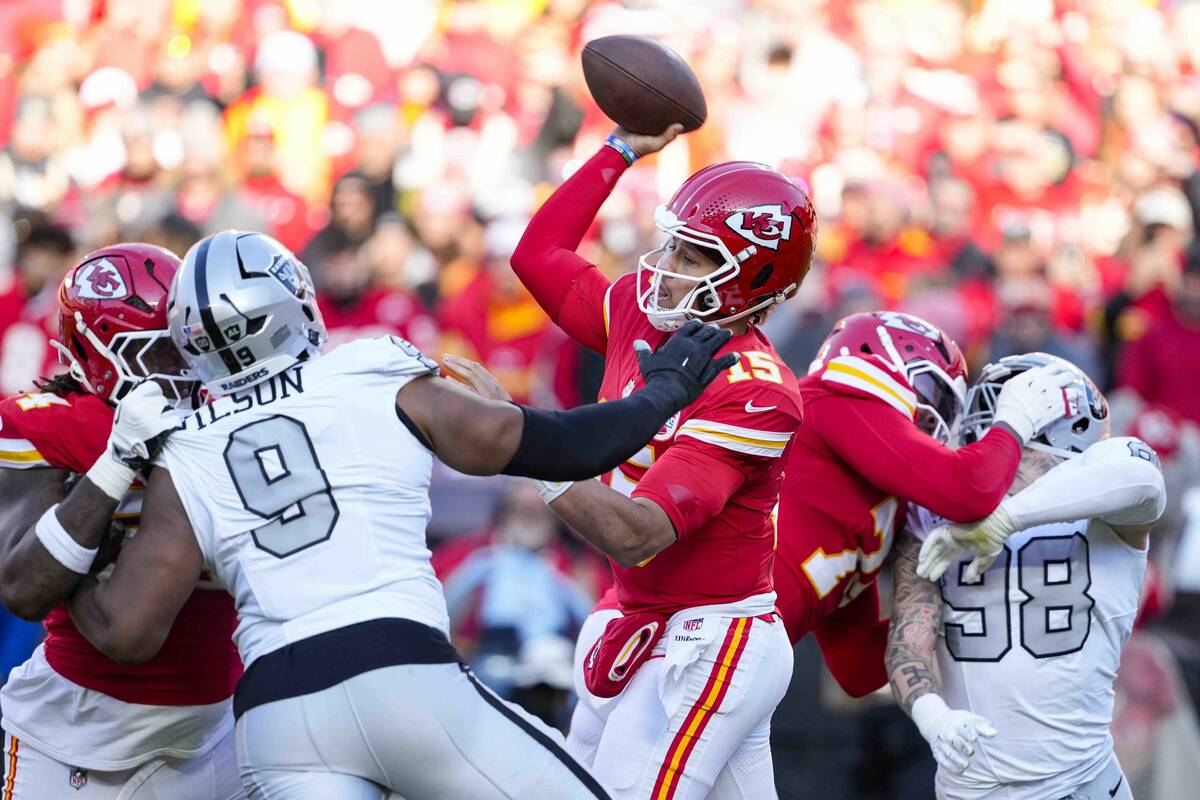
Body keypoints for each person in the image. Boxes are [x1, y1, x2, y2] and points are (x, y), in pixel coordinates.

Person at [37, 230, 736, 799]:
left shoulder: (185, 446)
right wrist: (666, 389)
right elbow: (561, 447)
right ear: (292, 304)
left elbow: (125, 630)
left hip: (275, 719)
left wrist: (66, 565)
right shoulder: (367, 369)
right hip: (399, 674)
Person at [511, 124, 815, 799]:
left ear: (753, 280)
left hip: (712, 638)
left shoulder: (758, 389)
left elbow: (638, 532)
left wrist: (521, 444)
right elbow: (537, 255)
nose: (667, 263)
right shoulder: (641, 314)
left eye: (694, 254)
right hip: (637, 616)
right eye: (674, 243)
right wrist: (620, 149)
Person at [0, 244, 243, 799]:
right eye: (158, 353)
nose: (181, 368)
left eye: (187, 347)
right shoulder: (50, 424)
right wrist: (116, 462)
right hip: (76, 735)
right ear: (95, 351)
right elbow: (21, 588)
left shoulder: (227, 416)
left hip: (215, 728)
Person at [887, 353, 1166, 800]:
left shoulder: (1108, 497)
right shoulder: (932, 510)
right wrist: (932, 715)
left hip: (1081, 781)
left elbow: (1140, 478)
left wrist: (1004, 521)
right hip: (972, 788)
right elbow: (909, 639)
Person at [771, 312, 1080, 698]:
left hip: (742, 650)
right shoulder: (834, 397)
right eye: (938, 395)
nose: (945, 418)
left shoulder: (874, 500)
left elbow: (859, 665)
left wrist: (960, 606)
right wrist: (1015, 420)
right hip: (703, 631)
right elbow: (969, 491)